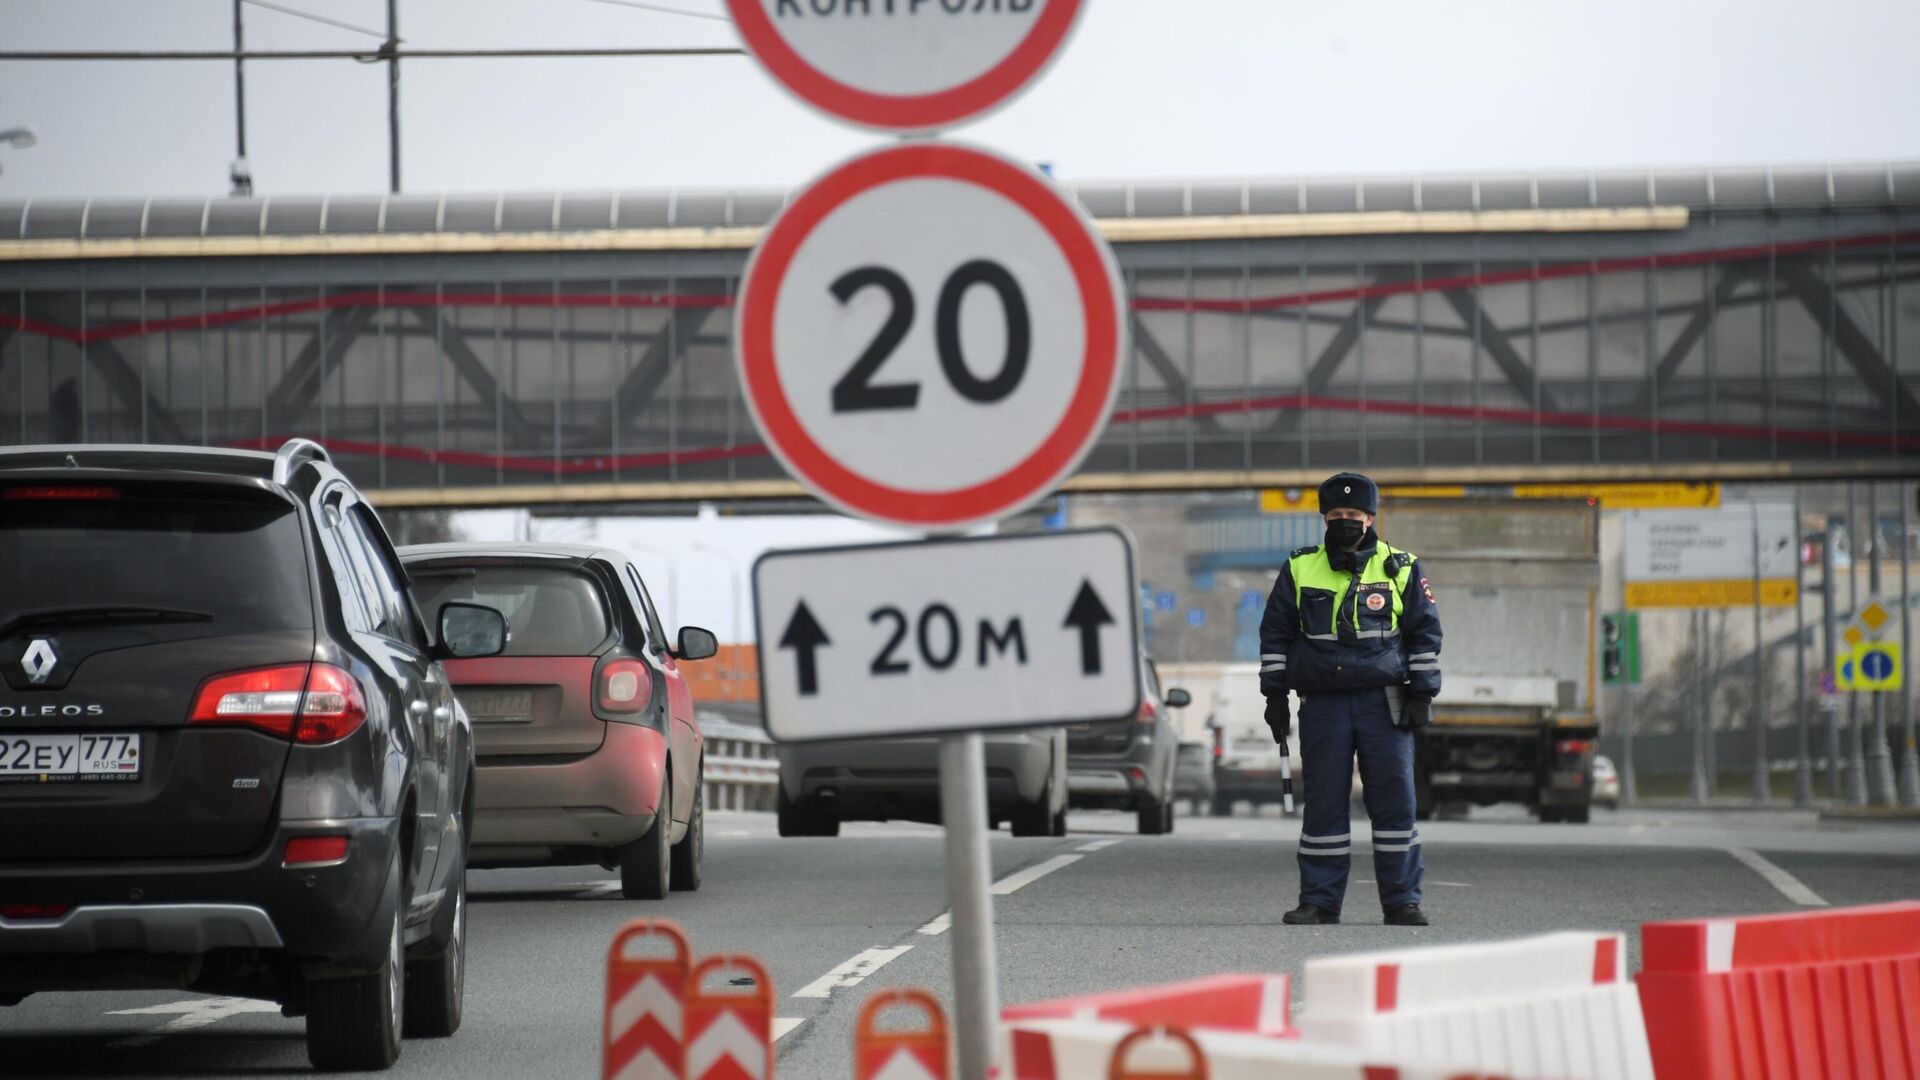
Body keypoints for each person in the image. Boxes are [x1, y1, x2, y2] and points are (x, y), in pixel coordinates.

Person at [1259, 472, 1442, 926]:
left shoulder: (1401, 566)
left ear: (1370, 517)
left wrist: (1423, 694)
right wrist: (1274, 696)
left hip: (1385, 703)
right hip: (1323, 703)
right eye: (1336, 515)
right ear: (1324, 517)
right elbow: (1276, 634)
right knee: (1323, 803)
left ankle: (1402, 901)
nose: (1345, 522)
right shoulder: (1300, 566)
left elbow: (1424, 634)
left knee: (1396, 803)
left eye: (1353, 516)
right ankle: (1319, 901)